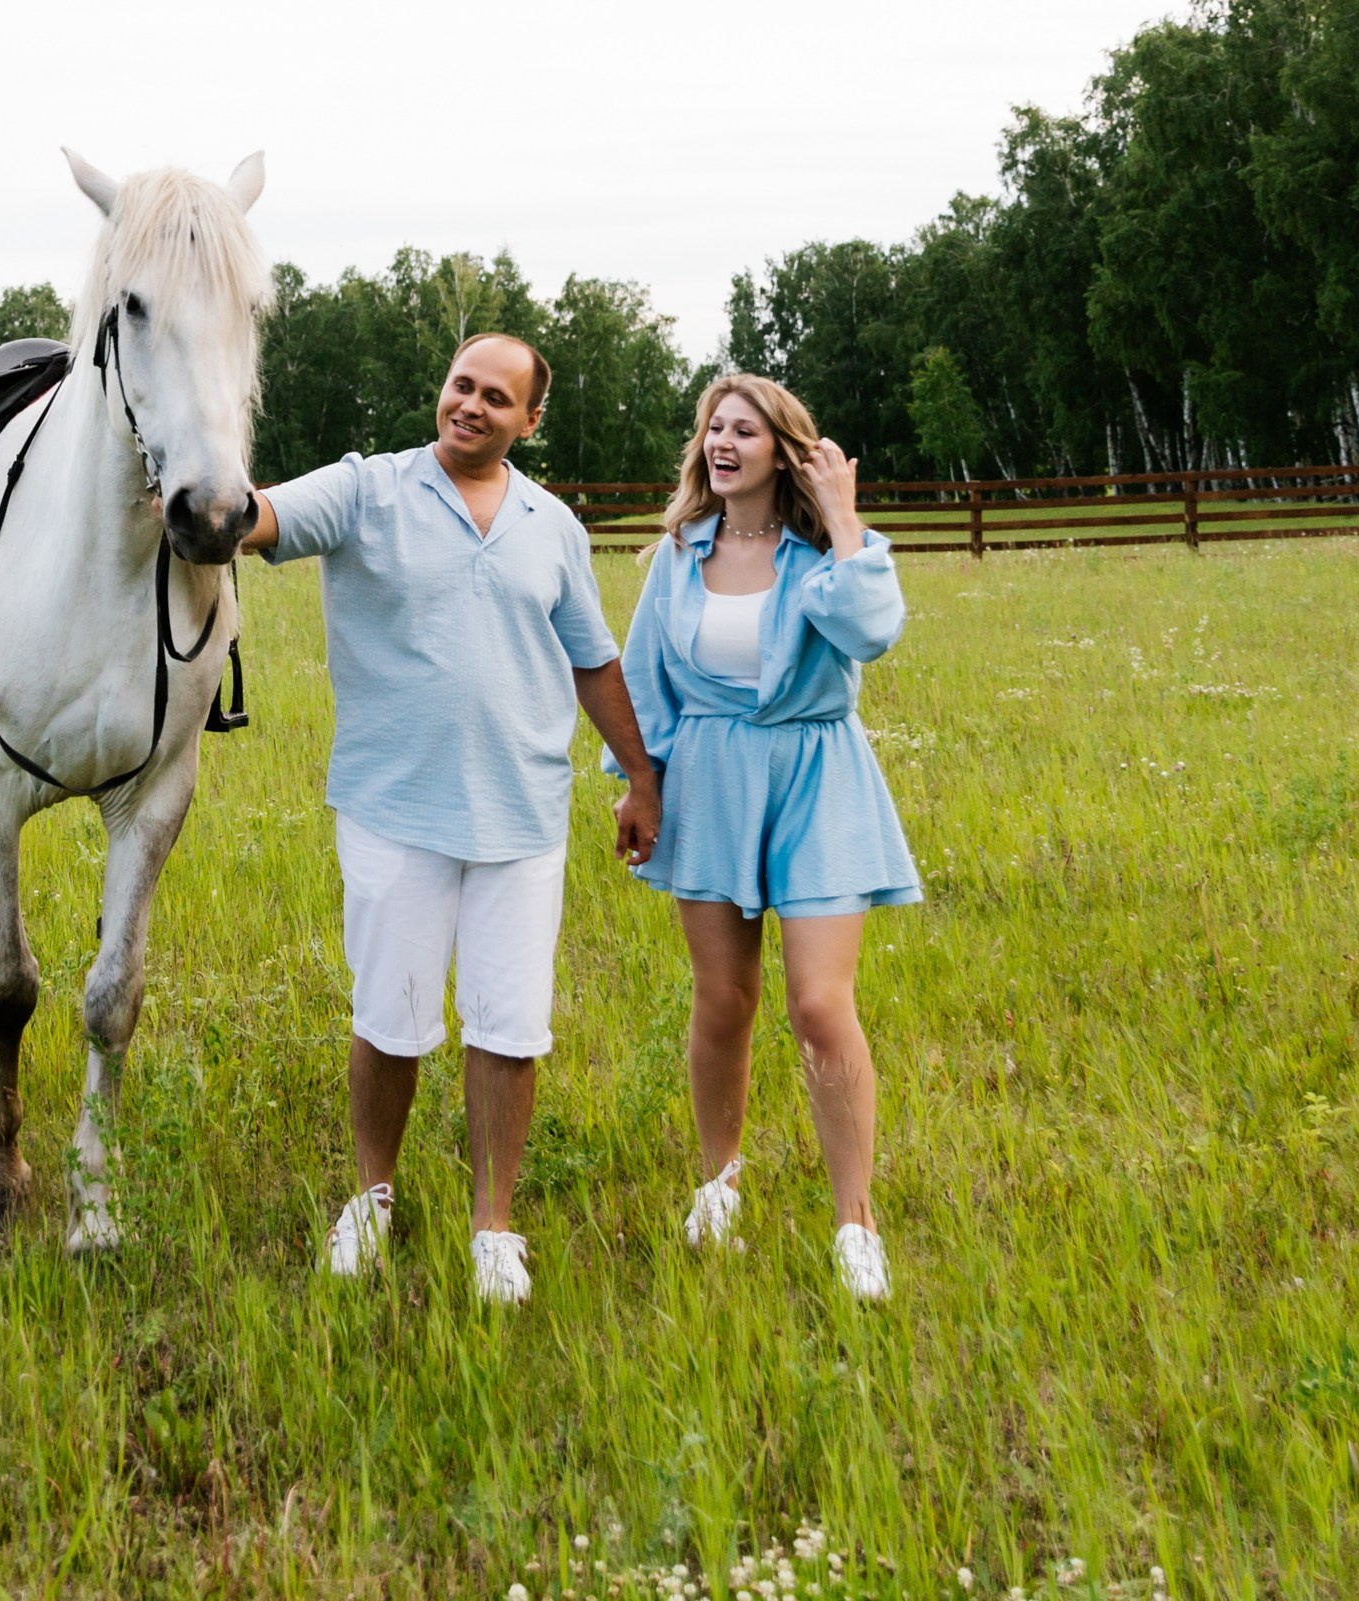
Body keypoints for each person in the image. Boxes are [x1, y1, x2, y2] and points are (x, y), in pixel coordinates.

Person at [241, 332, 662, 1306]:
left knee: (509, 1026)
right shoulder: (367, 489)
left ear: (531, 419)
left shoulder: (551, 525)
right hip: (395, 806)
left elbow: (594, 660)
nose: (471, 405)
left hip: (523, 812)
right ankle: (372, 1195)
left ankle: (493, 1226)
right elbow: (262, 517)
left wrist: (641, 777)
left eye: (497, 397)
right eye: (460, 386)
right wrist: (212, 506)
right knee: (390, 1013)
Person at [602, 374, 921, 1300]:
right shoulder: (678, 553)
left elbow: (873, 634)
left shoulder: (830, 553)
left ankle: (855, 1222)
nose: (722, 443)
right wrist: (638, 784)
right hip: (707, 784)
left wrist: (844, 518)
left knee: (820, 1004)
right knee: (723, 999)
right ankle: (721, 1181)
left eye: (744, 430)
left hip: (817, 780)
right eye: (713, 428)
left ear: (784, 449)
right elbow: (646, 677)